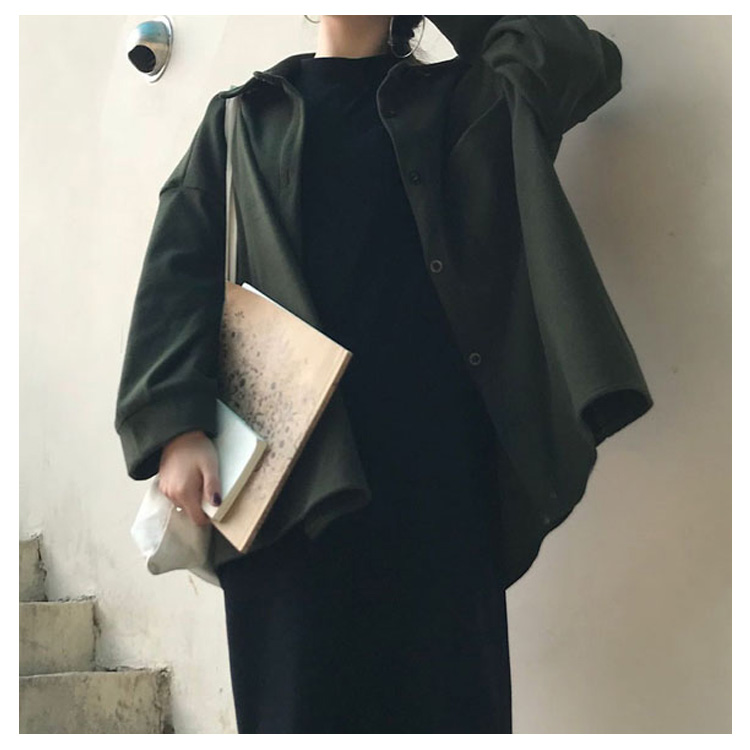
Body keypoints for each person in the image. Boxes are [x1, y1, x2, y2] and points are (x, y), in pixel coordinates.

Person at [115, 15, 653, 733]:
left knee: (449, 711)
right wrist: (177, 427)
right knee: (301, 712)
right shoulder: (244, 117)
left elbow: (578, 58)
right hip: (289, 484)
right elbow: (180, 262)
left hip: (439, 478)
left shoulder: (468, 95)